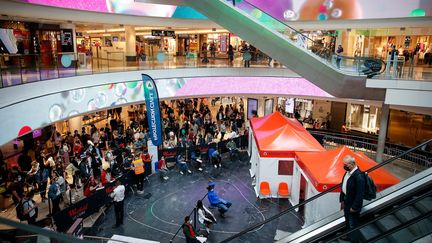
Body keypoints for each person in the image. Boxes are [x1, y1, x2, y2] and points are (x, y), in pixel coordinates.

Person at [339, 155, 365, 242]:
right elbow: (343, 185)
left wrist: (355, 207)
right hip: (347, 202)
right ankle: (349, 236)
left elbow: (360, 194)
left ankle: (354, 240)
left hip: (353, 205)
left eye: (346, 164)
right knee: (347, 221)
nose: (345, 166)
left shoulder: (359, 176)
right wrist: (342, 199)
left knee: (353, 223)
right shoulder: (348, 172)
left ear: (353, 164)